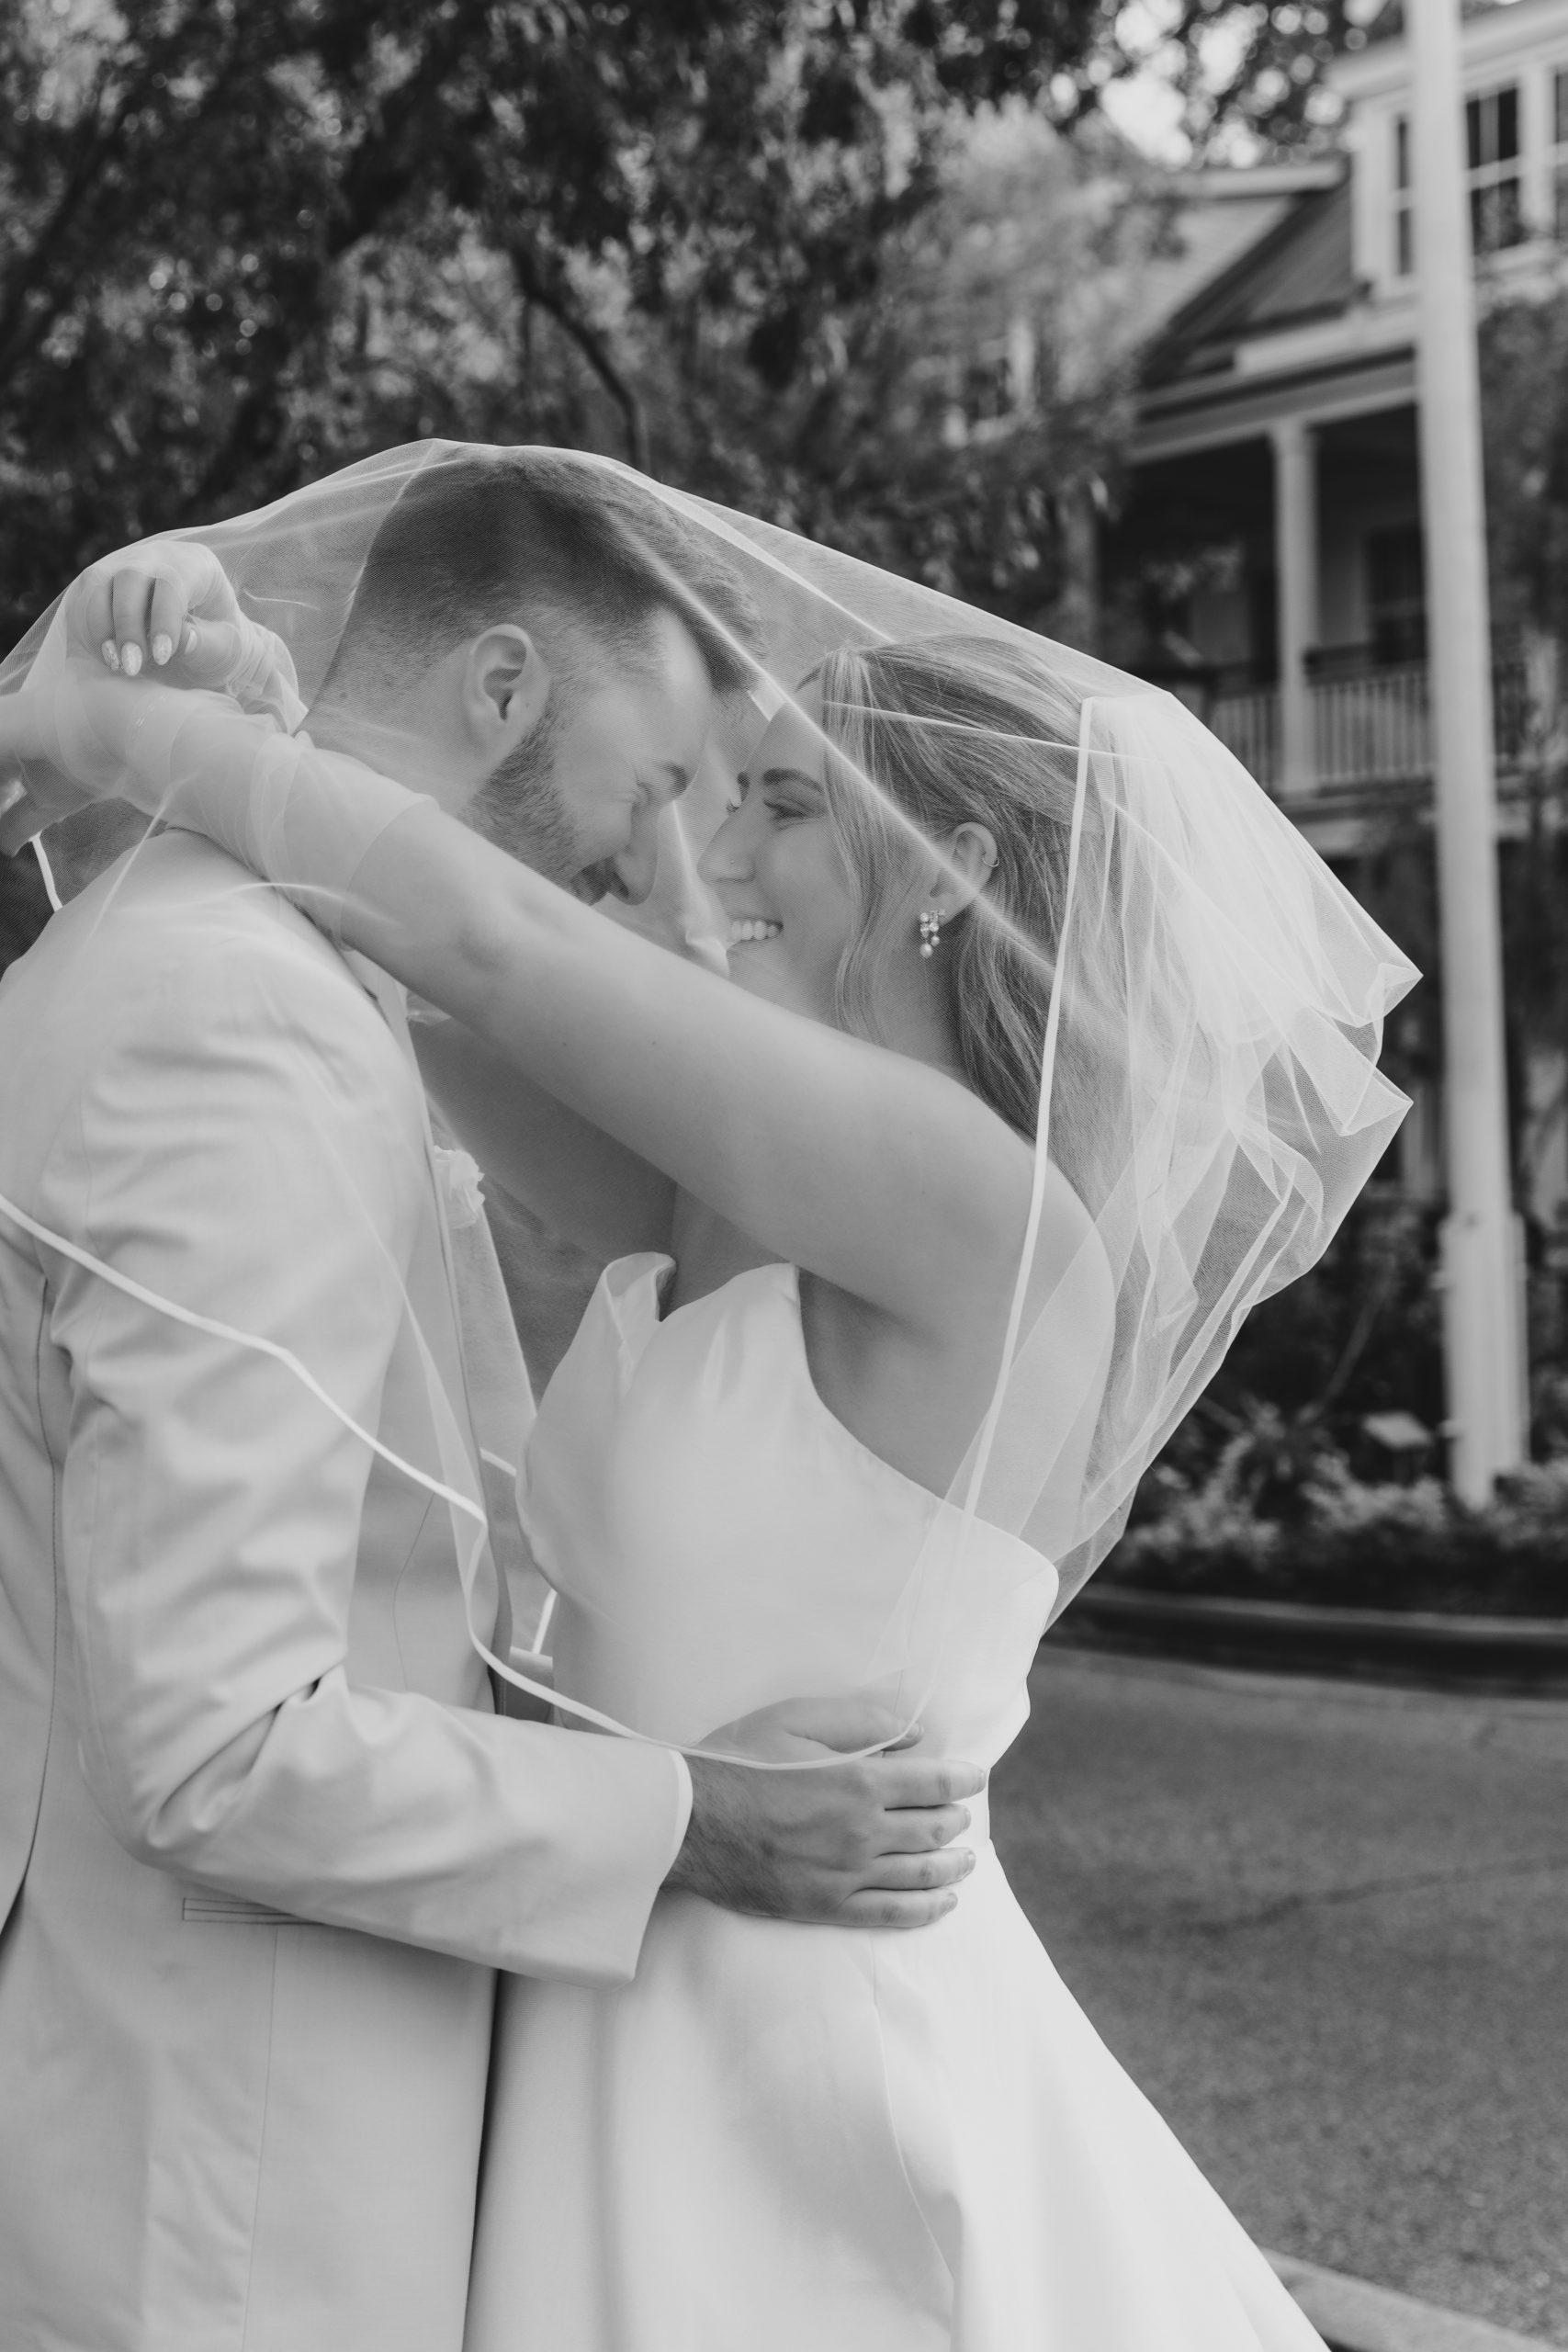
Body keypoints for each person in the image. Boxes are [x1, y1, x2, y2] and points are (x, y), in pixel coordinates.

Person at [4, 443, 1416, 2347]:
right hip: (611, 1998)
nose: (707, 858)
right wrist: (207, 654)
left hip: (805, 2035)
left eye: (774, 806)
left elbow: (480, 938)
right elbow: (373, 958)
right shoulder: (721, 1191)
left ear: (953, 881)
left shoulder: (965, 1204)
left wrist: (121, 725)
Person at [0, 452, 984, 2352]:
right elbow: (215, 1741)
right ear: (510, 688)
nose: (660, 858)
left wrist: (136, 727)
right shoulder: (245, 1017)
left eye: (750, 802)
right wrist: (692, 1815)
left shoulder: (209, 963)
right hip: (224, 2187)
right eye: (670, 780)